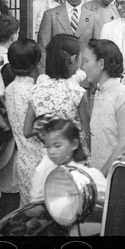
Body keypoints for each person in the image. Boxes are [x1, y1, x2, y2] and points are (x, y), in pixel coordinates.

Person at [24, 34, 91, 163]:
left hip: (46, 158)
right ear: (73, 59)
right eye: (81, 57)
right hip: (72, 158)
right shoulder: (77, 93)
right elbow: (88, 134)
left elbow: (27, 131)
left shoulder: (36, 90)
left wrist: (48, 126)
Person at [82, 39, 125, 175]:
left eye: (87, 61)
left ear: (101, 63)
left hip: (119, 176)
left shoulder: (122, 95)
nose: (83, 67)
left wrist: (101, 175)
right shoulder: (99, 92)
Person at [4, 39, 44, 207]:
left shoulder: (9, 89)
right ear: (36, 62)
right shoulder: (35, 90)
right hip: (40, 159)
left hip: (23, 159)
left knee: (28, 208)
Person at [37, 0, 103, 71]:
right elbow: (43, 50)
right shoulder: (51, 15)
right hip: (57, 77)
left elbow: (97, 52)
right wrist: (46, 78)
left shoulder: (94, 17)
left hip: (85, 78)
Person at [30, 118, 106, 204]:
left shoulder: (87, 175)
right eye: (47, 146)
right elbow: (36, 202)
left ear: (74, 144)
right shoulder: (44, 172)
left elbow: (105, 199)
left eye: (57, 146)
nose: (51, 151)